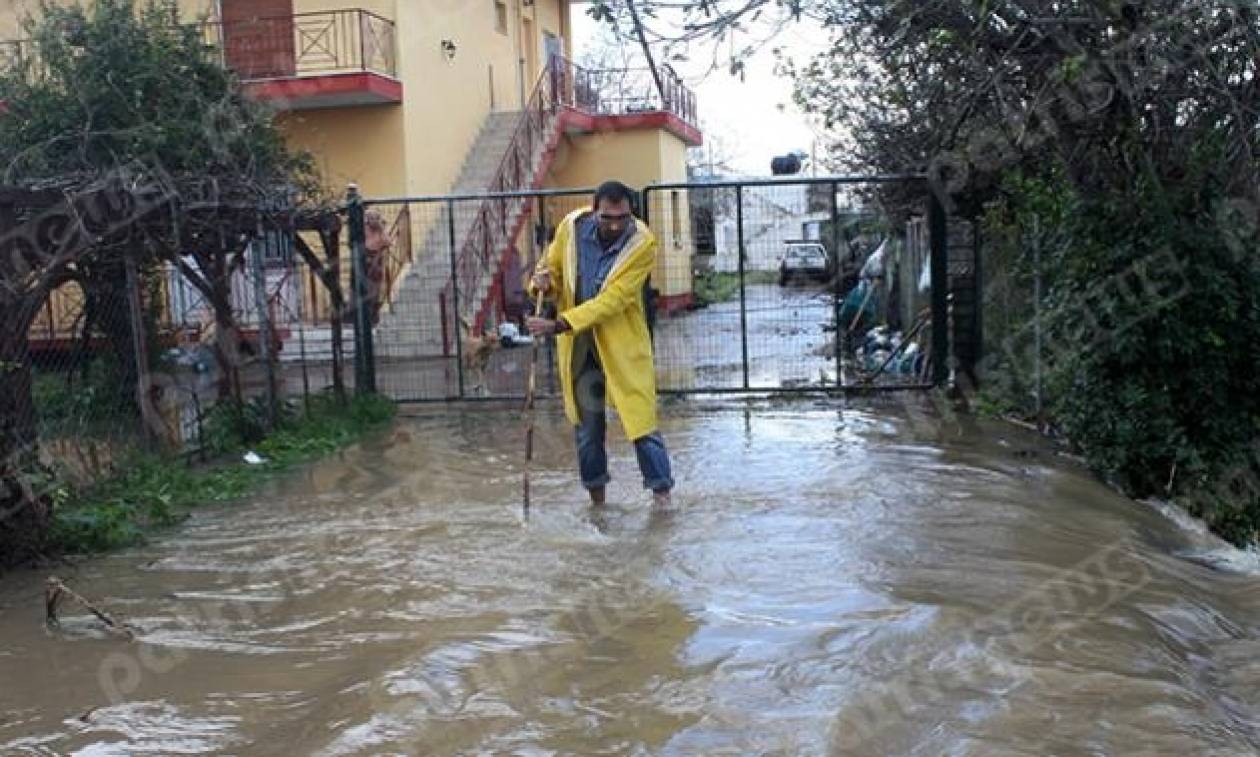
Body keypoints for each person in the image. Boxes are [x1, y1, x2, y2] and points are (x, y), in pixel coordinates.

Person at [526, 180, 674, 508]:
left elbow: (614, 300)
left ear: (631, 214)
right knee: (588, 429)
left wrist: (559, 324)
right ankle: (598, 506)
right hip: (582, 352)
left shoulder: (642, 243)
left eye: (622, 218)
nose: (615, 225)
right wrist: (542, 285)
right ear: (595, 212)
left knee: (641, 424)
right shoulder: (571, 228)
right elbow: (549, 272)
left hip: (623, 348)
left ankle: (663, 500)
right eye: (608, 217)